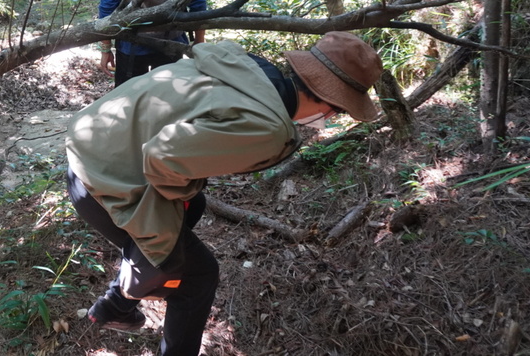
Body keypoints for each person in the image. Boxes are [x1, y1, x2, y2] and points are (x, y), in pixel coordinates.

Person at [66, 31, 383, 356]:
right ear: (329, 103)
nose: (332, 119)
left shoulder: (248, 69)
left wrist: (185, 194)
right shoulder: (268, 127)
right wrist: (182, 191)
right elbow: (162, 158)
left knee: (194, 206)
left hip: (93, 143)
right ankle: (128, 305)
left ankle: (115, 304)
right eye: (341, 111)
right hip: (101, 179)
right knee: (199, 277)